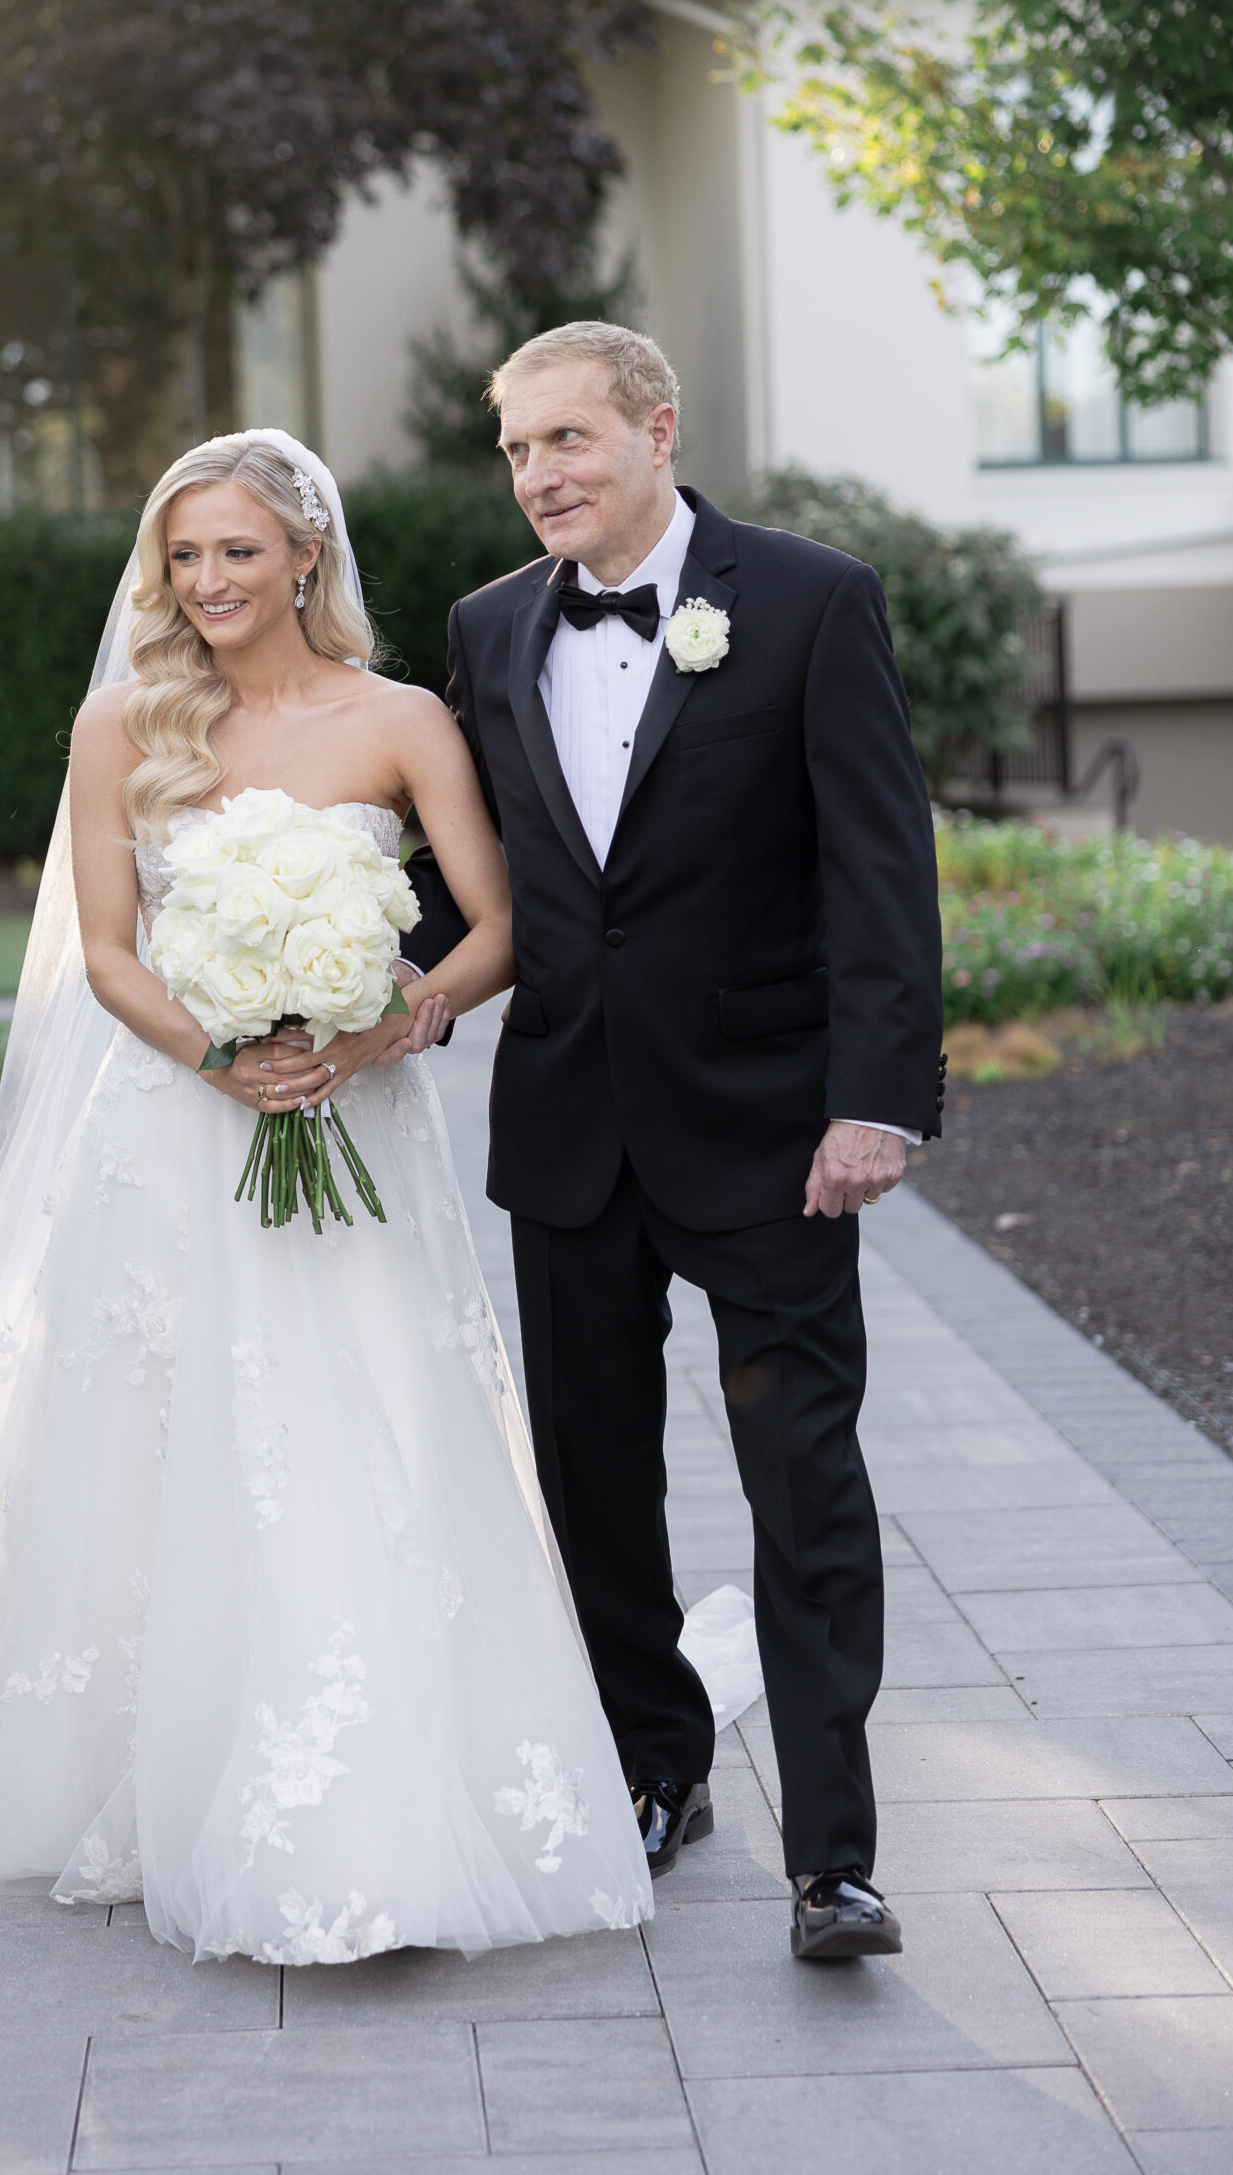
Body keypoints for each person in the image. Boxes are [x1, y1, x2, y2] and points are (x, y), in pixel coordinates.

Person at [0, 429, 758, 1966]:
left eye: (237, 553)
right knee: (175, 1426)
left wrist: (390, 1017)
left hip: (357, 1119)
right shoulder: (122, 725)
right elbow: (108, 951)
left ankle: (388, 1764)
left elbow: (504, 923)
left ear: (305, 559)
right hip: (178, 1131)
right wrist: (219, 1056)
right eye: (183, 556)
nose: (206, 581)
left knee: (367, 1410)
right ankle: (162, 1747)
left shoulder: (402, 719)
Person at [400, 324, 944, 1962]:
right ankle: (656, 1763)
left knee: (806, 1485)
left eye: (569, 441)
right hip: (568, 1122)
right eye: (516, 452)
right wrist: (331, 977)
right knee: (592, 1483)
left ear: (657, 430)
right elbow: (454, 875)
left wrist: (878, 1097)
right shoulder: (488, 631)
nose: (541, 477)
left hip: (773, 1131)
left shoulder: (808, 598)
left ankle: (835, 1859)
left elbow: (879, 864)